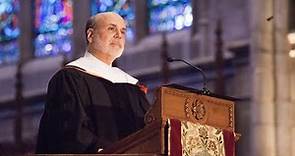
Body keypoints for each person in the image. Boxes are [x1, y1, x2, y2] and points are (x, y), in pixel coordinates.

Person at [36, 12, 150, 154]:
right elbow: (68, 131)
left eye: (123, 31)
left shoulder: (132, 86)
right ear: (90, 36)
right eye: (111, 29)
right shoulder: (70, 78)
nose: (119, 35)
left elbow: (149, 134)